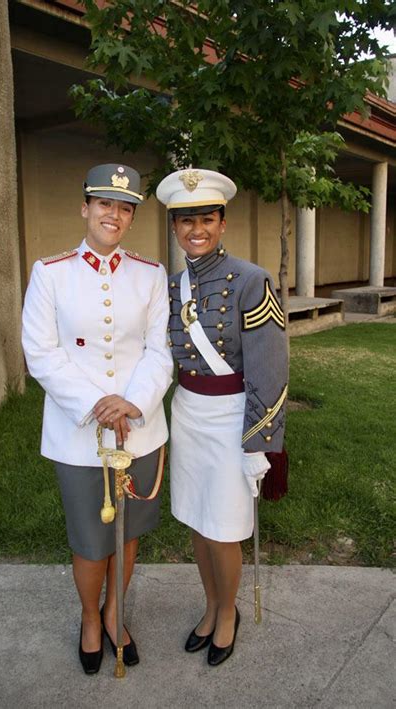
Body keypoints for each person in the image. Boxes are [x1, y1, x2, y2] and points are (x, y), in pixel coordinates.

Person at [22, 163, 173, 674]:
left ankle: (116, 612)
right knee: (91, 538)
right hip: (78, 432)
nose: (114, 214)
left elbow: (161, 349)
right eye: (105, 203)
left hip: (140, 428)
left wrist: (132, 403)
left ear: (131, 218)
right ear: (86, 207)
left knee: (126, 534)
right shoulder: (51, 272)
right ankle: (90, 617)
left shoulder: (151, 275)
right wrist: (97, 406)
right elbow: (39, 352)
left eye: (125, 207)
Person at [156, 168, 288, 667]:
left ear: (222, 223)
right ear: (175, 227)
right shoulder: (171, 287)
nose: (197, 229)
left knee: (224, 526)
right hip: (188, 411)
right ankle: (209, 606)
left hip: (232, 417)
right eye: (186, 220)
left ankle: (227, 613)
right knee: (196, 517)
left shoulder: (254, 281)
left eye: (207, 219)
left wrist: (260, 440)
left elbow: (269, 369)